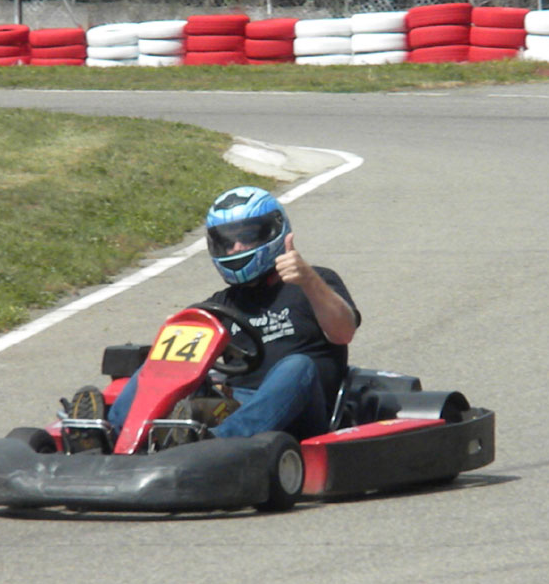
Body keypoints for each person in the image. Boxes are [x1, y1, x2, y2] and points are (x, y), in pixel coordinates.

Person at [87, 185, 360, 443]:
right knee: (162, 362)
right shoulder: (220, 306)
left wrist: (308, 280)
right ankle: (112, 434)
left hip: (300, 410)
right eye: (228, 240)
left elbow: (343, 332)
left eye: (248, 236)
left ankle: (217, 443)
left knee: (297, 365)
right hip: (233, 405)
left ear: (274, 231)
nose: (237, 248)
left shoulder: (316, 282)